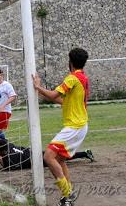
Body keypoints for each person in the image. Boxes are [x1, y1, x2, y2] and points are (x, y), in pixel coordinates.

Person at [32, 48, 89, 206]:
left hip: (74, 126)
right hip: (80, 125)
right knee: (59, 159)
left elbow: (52, 95)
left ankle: (68, 194)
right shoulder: (83, 77)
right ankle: (67, 195)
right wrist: (42, 92)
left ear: (70, 61)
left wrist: (38, 87)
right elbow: (63, 101)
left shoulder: (72, 78)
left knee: (48, 157)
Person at [0, 138, 94, 171]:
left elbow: (6, 167)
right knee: (59, 156)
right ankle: (84, 153)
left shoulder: (8, 160)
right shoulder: (9, 145)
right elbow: (1, 140)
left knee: (61, 159)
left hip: (38, 161)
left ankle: (85, 153)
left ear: (1, 152)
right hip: (35, 153)